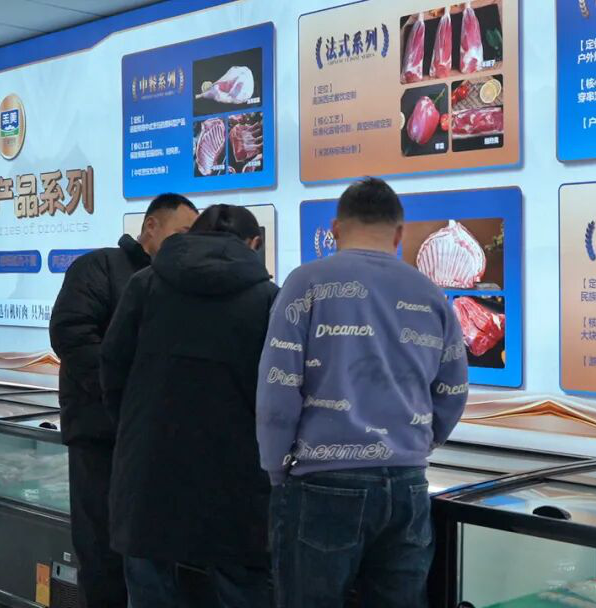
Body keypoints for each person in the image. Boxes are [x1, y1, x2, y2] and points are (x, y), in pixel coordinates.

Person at [258, 177, 469, 607]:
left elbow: (279, 386)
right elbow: (453, 390)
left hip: (321, 484)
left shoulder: (307, 283)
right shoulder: (430, 294)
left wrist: (276, 469)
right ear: (399, 234)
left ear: (335, 229)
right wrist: (417, 444)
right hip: (408, 486)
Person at [100, 204, 276, 608]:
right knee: (241, 585)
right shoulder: (267, 297)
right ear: (253, 244)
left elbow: (112, 366)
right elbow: (278, 389)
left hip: (150, 465)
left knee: (150, 585)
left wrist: (133, 427)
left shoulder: (145, 285)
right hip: (238, 471)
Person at [49, 193, 197, 608]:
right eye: (182, 232)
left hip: (153, 440)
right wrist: (123, 391)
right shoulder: (100, 266)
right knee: (101, 549)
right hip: (100, 436)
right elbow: (71, 333)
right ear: (151, 226)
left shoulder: (175, 282)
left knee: (149, 552)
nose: (187, 243)